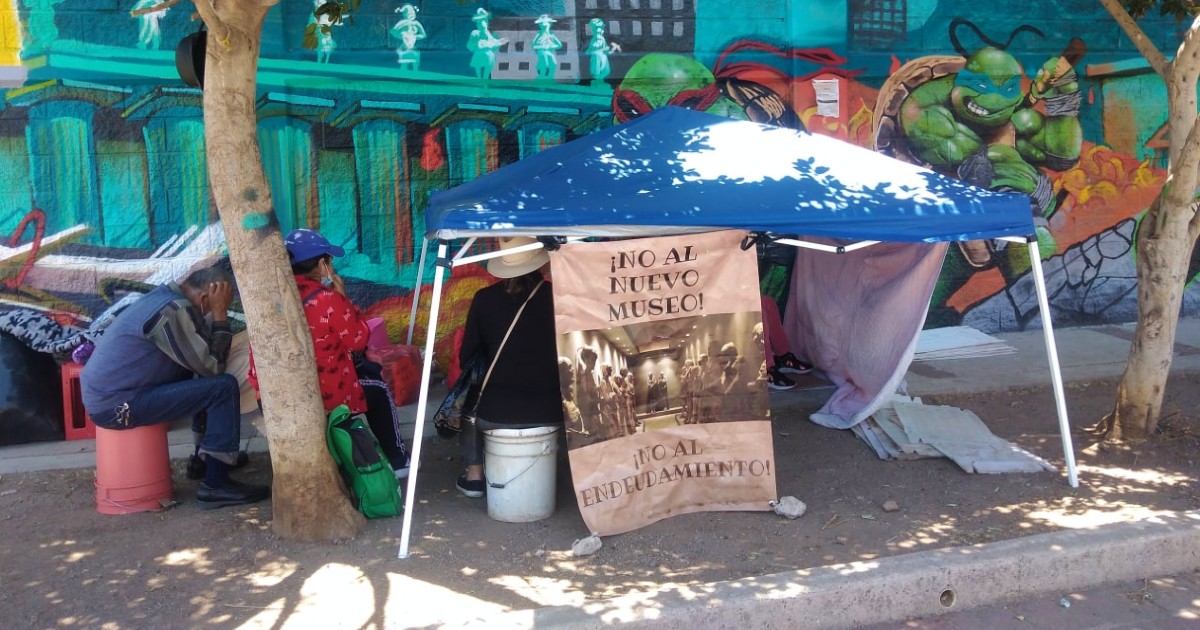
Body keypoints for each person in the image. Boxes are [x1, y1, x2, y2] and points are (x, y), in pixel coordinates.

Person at [81, 265, 269, 510]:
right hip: (118, 405)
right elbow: (211, 366)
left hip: (117, 396)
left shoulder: (166, 299)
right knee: (221, 386)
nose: (215, 313)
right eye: (216, 305)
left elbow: (198, 363)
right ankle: (215, 485)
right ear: (205, 297)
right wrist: (221, 316)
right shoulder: (174, 310)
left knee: (202, 380)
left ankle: (203, 461)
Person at [249, 229, 411, 477]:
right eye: (329, 260)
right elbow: (358, 340)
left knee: (367, 371)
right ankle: (398, 460)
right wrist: (343, 297)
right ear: (322, 264)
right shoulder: (327, 299)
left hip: (275, 397)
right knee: (378, 388)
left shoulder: (269, 301)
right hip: (325, 396)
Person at [456, 236, 561, 498]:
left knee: (469, 402)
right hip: (553, 408)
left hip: (495, 411)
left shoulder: (483, 299)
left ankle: (475, 475)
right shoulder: (558, 297)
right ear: (539, 263)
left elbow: (467, 359)